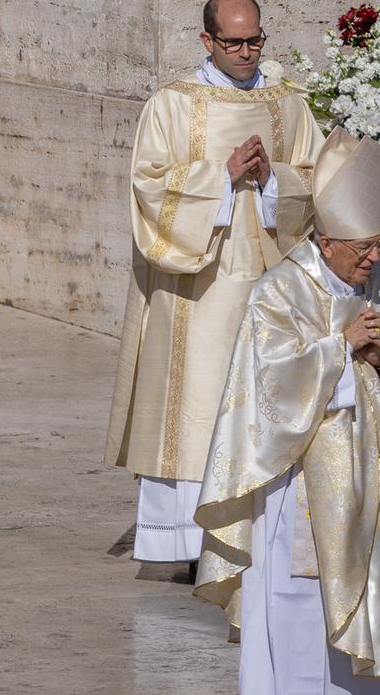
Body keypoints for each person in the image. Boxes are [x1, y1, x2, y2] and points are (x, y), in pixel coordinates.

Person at [107, 0, 323, 572]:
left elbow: (316, 179)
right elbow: (149, 186)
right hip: (198, 286)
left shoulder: (288, 105)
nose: (247, 51)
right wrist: (222, 180)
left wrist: (272, 180)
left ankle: (259, 537)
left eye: (256, 39)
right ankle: (185, 544)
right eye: (234, 41)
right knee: (197, 397)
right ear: (207, 41)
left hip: (269, 273)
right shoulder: (172, 105)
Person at [194, 127, 380, 693]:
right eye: (362, 248)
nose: (373, 259)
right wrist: (343, 350)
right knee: (299, 605)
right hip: (298, 485)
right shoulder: (277, 292)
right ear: (326, 242)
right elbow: (267, 391)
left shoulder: (374, 285)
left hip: (367, 479)